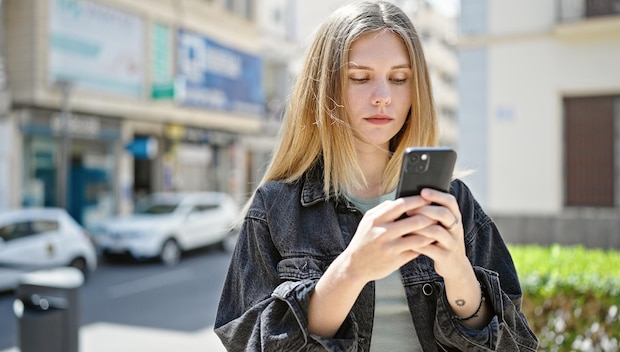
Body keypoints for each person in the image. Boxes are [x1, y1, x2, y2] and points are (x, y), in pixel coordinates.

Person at [215, 1, 539, 351]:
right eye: (360, 78)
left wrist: (458, 273)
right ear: (326, 88)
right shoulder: (275, 209)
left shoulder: (454, 201)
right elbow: (247, 343)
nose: (383, 97)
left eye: (399, 79)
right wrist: (352, 271)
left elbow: (515, 344)